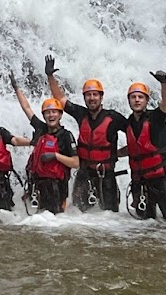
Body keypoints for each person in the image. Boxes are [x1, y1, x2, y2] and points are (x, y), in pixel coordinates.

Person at [46, 54, 128, 212]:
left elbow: (136, 133)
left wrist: (119, 153)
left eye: (95, 95)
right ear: (84, 97)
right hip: (84, 174)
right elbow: (61, 100)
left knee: (111, 219)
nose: (92, 98)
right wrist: (50, 76)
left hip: (106, 176)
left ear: (101, 97)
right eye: (88, 95)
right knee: (77, 214)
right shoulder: (81, 114)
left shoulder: (114, 118)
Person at [9, 74, 78, 214]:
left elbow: (75, 162)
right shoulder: (41, 129)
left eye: (54, 112)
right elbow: (26, 108)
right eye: (47, 113)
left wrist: (55, 155)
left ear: (60, 115)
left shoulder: (66, 136)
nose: (51, 115)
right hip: (38, 185)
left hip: (57, 187)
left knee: (54, 219)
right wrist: (16, 89)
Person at [123, 72, 166, 225]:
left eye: (141, 97)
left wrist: (163, 83)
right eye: (133, 97)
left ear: (146, 100)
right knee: (144, 227)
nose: (137, 100)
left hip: (162, 181)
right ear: (129, 100)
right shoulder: (129, 123)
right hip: (141, 183)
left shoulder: (156, 118)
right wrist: (112, 155)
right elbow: (134, 148)